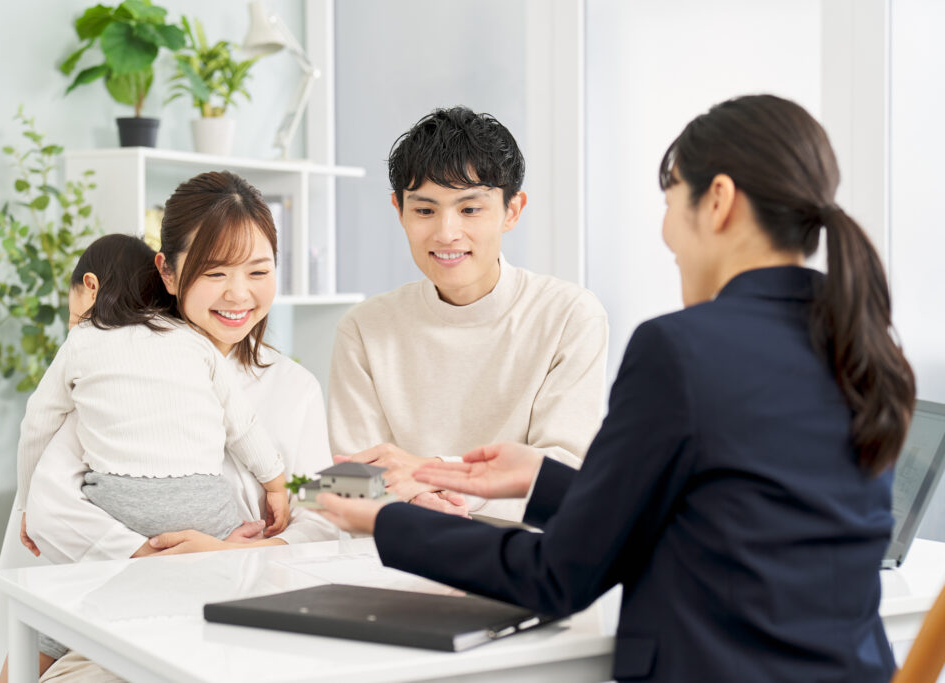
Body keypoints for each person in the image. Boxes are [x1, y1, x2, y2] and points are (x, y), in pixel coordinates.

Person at [317, 95, 916, 682]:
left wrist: (385, 523)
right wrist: (544, 481)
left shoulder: (679, 349)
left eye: (670, 200)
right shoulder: (862, 344)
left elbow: (560, 576)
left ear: (718, 202)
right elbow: (721, 519)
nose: (665, 233)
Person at [0, 171, 338, 682]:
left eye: (258, 272)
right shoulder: (117, 375)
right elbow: (50, 506)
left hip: (243, 624)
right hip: (115, 624)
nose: (238, 294)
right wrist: (155, 559)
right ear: (169, 273)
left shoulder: (296, 389)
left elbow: (322, 524)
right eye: (215, 273)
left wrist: (220, 555)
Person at [327, 106, 609, 520]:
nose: (446, 233)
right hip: (396, 553)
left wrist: (433, 475)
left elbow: (566, 472)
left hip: (524, 559)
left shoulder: (569, 315)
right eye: (424, 210)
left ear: (512, 211)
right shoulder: (365, 328)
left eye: (470, 209)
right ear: (399, 211)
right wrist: (419, 500)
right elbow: (347, 483)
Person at [17, 233, 289, 545]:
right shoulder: (193, 340)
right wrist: (275, 485)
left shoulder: (81, 340)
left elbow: (37, 424)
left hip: (119, 505)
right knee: (226, 545)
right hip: (202, 505)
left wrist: (28, 505)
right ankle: (225, 541)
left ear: (90, 286)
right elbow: (242, 424)